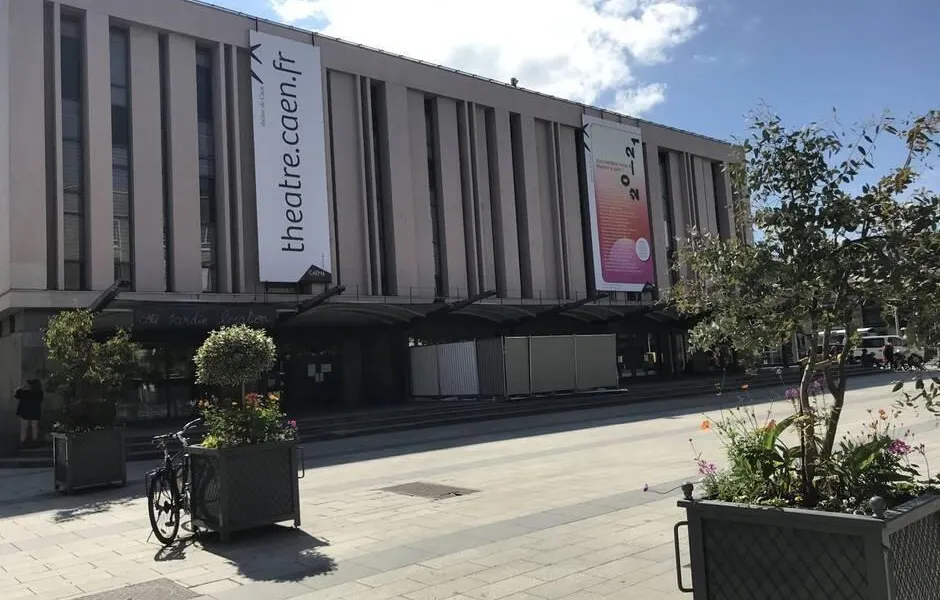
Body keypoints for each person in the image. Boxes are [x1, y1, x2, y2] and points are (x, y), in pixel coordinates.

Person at [15, 379, 43, 447]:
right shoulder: (39, 392)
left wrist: (20, 388)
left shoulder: (24, 392)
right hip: (34, 412)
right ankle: (34, 441)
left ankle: (22, 441)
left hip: (24, 412)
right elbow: (40, 400)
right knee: (34, 427)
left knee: (24, 427)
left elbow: (16, 395)